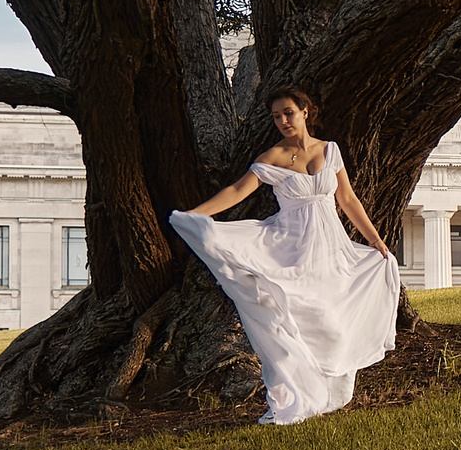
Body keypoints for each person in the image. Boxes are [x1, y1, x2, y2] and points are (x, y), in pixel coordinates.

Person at [168, 88, 401, 423]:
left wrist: (376, 240)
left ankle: (327, 388)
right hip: (289, 247)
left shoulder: (330, 151)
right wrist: (194, 215)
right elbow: (235, 191)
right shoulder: (271, 157)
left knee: (332, 320)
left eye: (288, 113)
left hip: (330, 250)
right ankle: (295, 393)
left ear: (306, 112)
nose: (282, 121)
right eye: (276, 116)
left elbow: (348, 200)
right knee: (291, 317)